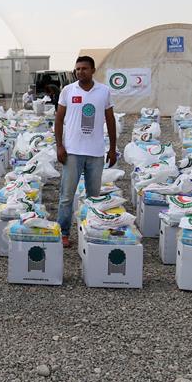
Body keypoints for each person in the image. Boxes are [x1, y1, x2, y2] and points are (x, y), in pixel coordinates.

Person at [54, 56, 117, 248]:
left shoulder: (104, 91)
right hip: (72, 152)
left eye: (84, 69)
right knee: (66, 196)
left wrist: (113, 148)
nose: (80, 72)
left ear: (93, 70)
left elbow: (110, 120)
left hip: (96, 153)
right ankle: (63, 233)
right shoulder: (68, 90)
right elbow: (58, 119)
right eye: (77, 69)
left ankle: (91, 231)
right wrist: (59, 145)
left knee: (93, 197)